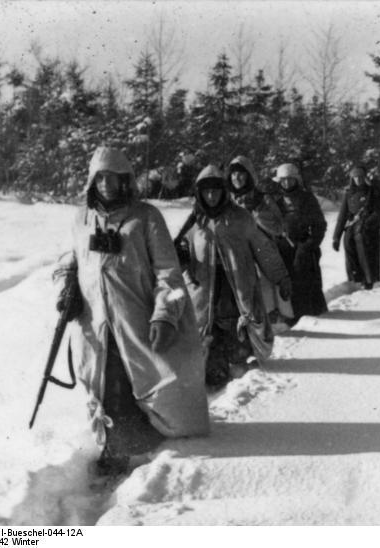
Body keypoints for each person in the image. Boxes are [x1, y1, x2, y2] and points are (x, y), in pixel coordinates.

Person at [54, 146, 209, 476]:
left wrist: (165, 314)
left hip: (135, 321)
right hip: (94, 324)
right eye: (101, 177)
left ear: (126, 180)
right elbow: (70, 260)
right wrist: (67, 285)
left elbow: (168, 272)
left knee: (140, 385)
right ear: (92, 181)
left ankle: (128, 450)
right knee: (105, 386)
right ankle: (117, 449)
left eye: (114, 177)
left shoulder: (146, 217)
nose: (107, 184)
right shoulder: (80, 218)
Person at [178, 165, 292, 390]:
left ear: (223, 191)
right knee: (208, 337)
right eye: (206, 191)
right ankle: (215, 377)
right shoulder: (194, 221)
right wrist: (182, 260)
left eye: (216, 191)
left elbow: (263, 249)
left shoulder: (241, 218)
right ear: (199, 193)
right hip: (204, 293)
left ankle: (239, 374)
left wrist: (281, 277)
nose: (211, 196)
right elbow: (177, 251)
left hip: (235, 291)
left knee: (236, 336)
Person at [227, 155, 293, 325]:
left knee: (266, 292)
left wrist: (257, 219)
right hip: (235, 253)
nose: (237, 178)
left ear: (249, 175)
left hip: (263, 252)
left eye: (241, 174)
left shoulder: (263, 199)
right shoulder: (226, 200)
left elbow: (280, 227)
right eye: (233, 174)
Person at [273, 163, 329, 322]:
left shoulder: (307, 198)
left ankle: (309, 317)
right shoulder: (275, 201)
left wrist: (308, 246)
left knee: (304, 284)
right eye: (283, 180)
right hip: (283, 249)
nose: (286, 184)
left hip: (304, 248)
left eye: (290, 180)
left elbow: (319, 225)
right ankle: (288, 317)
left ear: (296, 180)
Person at [332, 165, 380, 289]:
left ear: (365, 177)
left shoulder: (373, 192)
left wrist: (367, 223)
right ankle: (356, 278)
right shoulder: (349, 193)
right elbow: (342, 216)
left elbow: (379, 211)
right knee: (349, 244)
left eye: (360, 177)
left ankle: (368, 280)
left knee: (364, 249)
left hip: (369, 229)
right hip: (353, 227)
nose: (358, 180)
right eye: (355, 177)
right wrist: (336, 237)